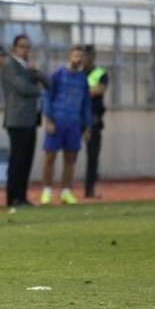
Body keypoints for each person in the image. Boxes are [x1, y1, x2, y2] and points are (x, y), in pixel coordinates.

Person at [0, 35, 48, 209]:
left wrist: (36, 72)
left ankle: (22, 196)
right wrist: (38, 87)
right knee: (17, 160)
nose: (25, 50)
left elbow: (47, 82)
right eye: (22, 46)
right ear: (14, 48)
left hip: (31, 119)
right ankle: (13, 198)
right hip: (17, 119)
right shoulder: (10, 66)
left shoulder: (28, 67)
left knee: (27, 160)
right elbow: (24, 88)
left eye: (28, 47)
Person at [40, 45, 92, 206]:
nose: (79, 59)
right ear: (70, 56)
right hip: (57, 121)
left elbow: (86, 104)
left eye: (81, 57)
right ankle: (47, 191)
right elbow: (47, 97)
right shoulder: (57, 75)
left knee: (71, 158)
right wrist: (49, 120)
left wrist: (88, 126)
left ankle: (66, 192)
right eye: (76, 56)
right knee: (50, 156)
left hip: (74, 123)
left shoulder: (83, 79)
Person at [82, 46, 109, 198]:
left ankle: (89, 189)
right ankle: (67, 190)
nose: (87, 58)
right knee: (70, 154)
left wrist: (80, 91)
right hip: (77, 117)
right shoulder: (78, 73)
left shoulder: (101, 73)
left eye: (90, 55)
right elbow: (93, 90)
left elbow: (100, 89)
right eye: (85, 55)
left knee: (93, 155)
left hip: (94, 118)